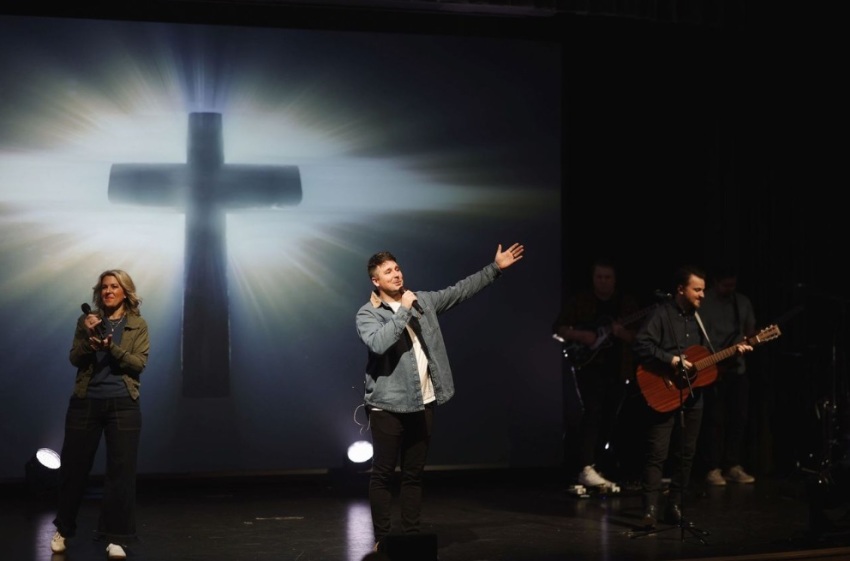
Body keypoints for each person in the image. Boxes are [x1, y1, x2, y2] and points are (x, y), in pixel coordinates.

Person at [355, 243, 524, 548]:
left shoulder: (424, 302)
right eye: (388, 271)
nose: (396, 273)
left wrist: (495, 268)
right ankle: (382, 541)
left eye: (397, 268)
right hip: (386, 406)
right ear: (375, 281)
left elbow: (460, 291)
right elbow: (379, 344)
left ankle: (410, 538)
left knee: (413, 474)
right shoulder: (368, 314)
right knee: (382, 475)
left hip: (423, 402)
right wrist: (404, 310)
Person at [633, 265, 752, 529]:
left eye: (702, 290)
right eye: (696, 289)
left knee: (686, 454)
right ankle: (650, 509)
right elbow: (641, 344)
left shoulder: (699, 318)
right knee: (657, 453)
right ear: (680, 289)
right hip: (662, 391)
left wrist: (734, 352)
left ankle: (674, 506)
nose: (701, 295)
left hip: (692, 395)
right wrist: (672, 359)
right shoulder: (661, 314)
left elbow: (707, 359)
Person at [50, 270, 150, 560]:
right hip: (86, 402)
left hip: (123, 403)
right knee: (73, 470)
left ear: (125, 292)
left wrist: (112, 348)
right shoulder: (87, 321)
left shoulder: (137, 324)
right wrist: (89, 343)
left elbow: (138, 364)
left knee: (121, 473)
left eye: (114, 286)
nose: (108, 291)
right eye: (104, 287)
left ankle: (117, 536)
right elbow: (74, 357)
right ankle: (64, 528)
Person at [551, 257, 642, 490]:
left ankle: (600, 464)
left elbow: (640, 339)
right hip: (588, 367)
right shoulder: (581, 301)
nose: (602, 282)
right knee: (592, 411)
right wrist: (583, 336)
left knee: (611, 416)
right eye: (598, 277)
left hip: (618, 368)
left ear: (615, 279)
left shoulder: (626, 303)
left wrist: (622, 334)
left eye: (607, 277)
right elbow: (558, 329)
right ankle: (585, 466)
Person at [697, 265, 758, 486]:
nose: (729, 289)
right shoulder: (705, 302)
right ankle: (712, 467)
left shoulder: (741, 302)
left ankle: (732, 464)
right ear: (715, 282)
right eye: (725, 285)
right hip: (712, 367)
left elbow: (750, 331)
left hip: (737, 368)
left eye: (733, 284)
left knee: (739, 418)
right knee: (714, 420)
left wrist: (751, 341)